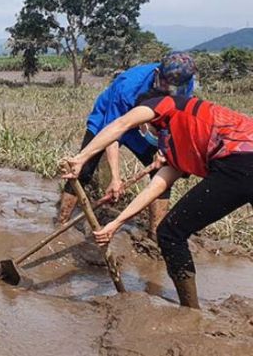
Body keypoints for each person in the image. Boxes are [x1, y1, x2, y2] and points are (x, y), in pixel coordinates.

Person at [63, 88, 253, 309]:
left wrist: (81, 158)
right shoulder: (179, 139)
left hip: (242, 162)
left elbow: (120, 124)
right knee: (171, 231)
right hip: (241, 163)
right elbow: (155, 187)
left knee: (170, 233)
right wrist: (116, 223)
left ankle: (191, 312)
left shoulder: (164, 104)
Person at [56, 52, 197, 241]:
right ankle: (61, 223)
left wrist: (165, 148)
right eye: (165, 86)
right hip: (110, 121)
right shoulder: (128, 85)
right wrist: (116, 178)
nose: (169, 92)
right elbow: (114, 132)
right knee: (83, 170)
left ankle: (155, 236)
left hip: (150, 126)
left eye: (174, 90)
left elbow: (177, 119)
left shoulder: (185, 85)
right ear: (157, 74)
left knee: (162, 174)